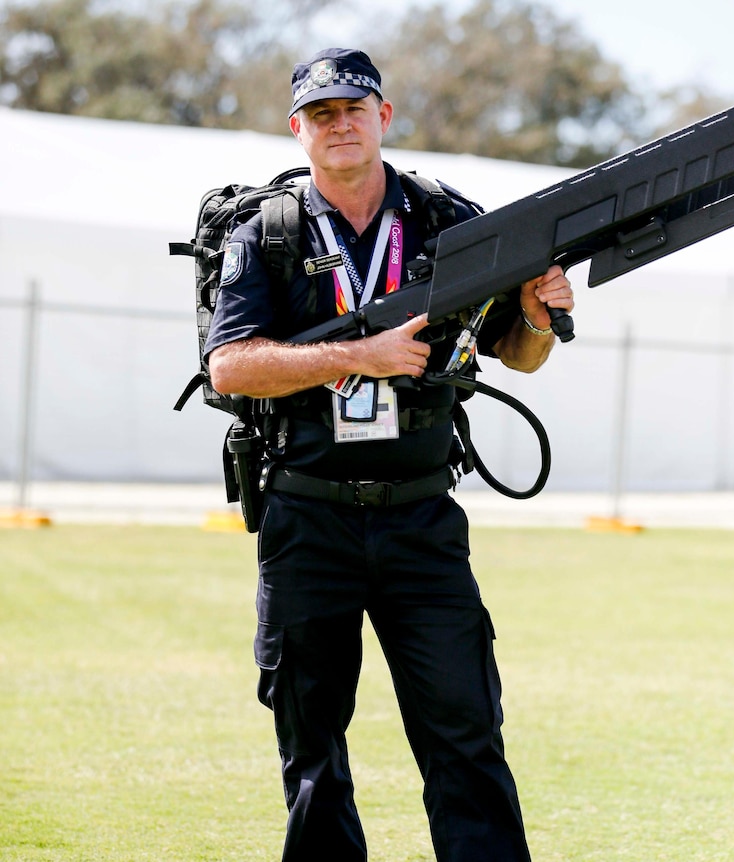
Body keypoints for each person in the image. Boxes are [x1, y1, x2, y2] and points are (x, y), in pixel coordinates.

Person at [204, 47, 574, 862]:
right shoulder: (267, 233)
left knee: (467, 736)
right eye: (323, 113)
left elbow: (518, 352)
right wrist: (353, 356)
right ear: (297, 127)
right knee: (313, 757)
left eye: (355, 109)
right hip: (307, 517)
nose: (341, 124)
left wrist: (541, 313)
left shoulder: (447, 218)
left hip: (420, 521)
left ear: (385, 118)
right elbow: (227, 363)